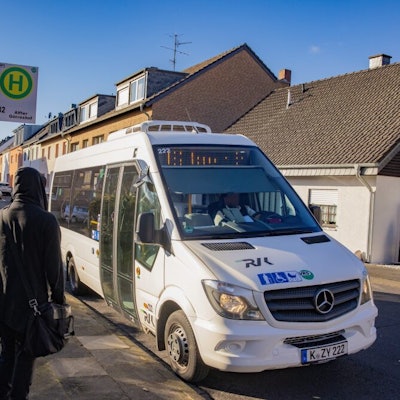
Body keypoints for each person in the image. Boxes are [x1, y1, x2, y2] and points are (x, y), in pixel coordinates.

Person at [0, 167, 65, 400]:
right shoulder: (46, 221)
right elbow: (54, 268)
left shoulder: (2, 216)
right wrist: (59, 299)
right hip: (32, 306)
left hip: (4, 302)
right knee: (26, 356)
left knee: (7, 354)